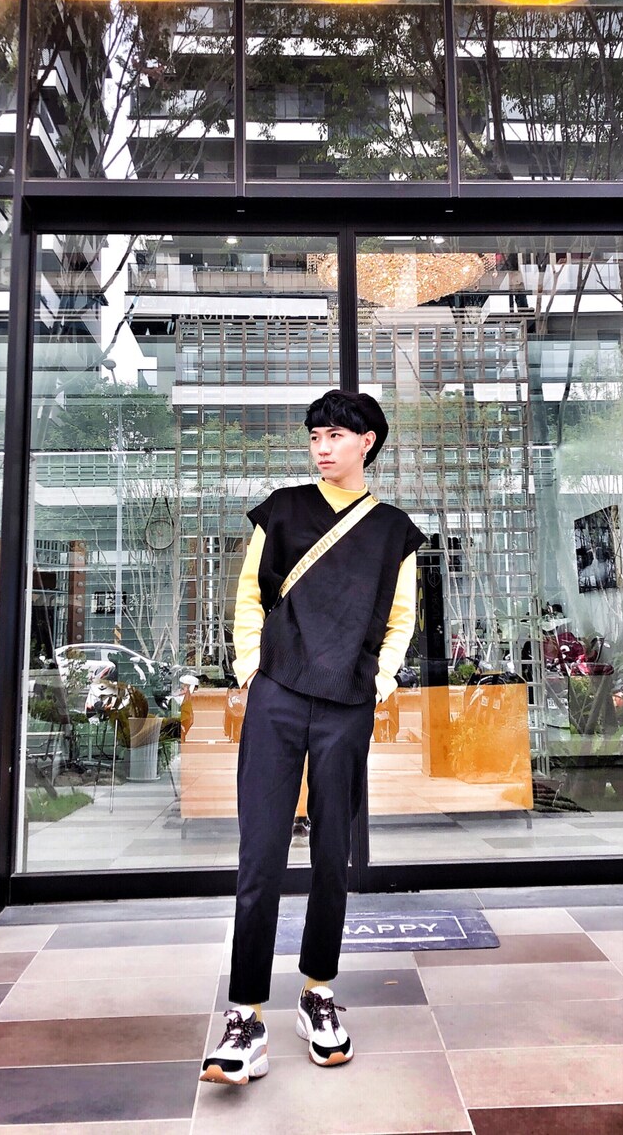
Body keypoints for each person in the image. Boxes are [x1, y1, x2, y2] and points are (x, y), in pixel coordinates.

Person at [199, 389, 426, 1086]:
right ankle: (244, 1013)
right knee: (260, 854)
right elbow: (249, 594)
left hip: (347, 701)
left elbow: (401, 617)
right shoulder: (283, 509)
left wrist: (379, 681)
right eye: (314, 437)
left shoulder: (393, 531)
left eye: (335, 436)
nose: (322, 448)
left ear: (367, 443)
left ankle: (317, 993)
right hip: (277, 694)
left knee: (333, 852)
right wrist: (250, 669)